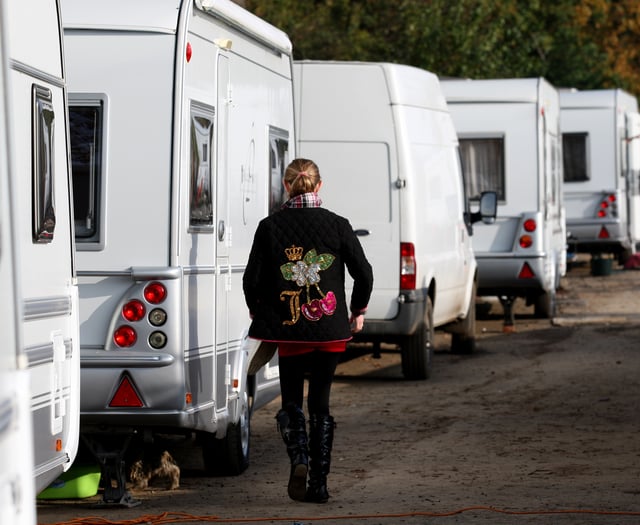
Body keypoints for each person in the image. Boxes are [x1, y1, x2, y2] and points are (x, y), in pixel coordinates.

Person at [243, 158, 373, 503]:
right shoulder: (339, 225)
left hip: (290, 332)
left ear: (286, 186)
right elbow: (365, 273)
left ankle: (298, 459)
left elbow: (250, 281)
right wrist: (357, 311)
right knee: (321, 404)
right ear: (319, 186)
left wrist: (261, 312)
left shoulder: (270, 227)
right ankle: (320, 484)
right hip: (330, 329)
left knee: (291, 401)